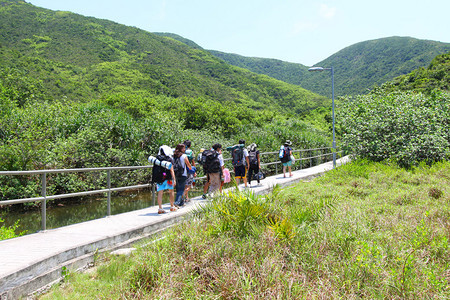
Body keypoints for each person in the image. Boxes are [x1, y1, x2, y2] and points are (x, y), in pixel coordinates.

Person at [154, 145, 177, 214]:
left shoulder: (157, 159)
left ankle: (160, 208)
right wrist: (174, 179)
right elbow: (172, 170)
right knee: (171, 191)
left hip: (160, 179)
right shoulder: (169, 159)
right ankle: (172, 207)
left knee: (160, 193)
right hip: (168, 179)